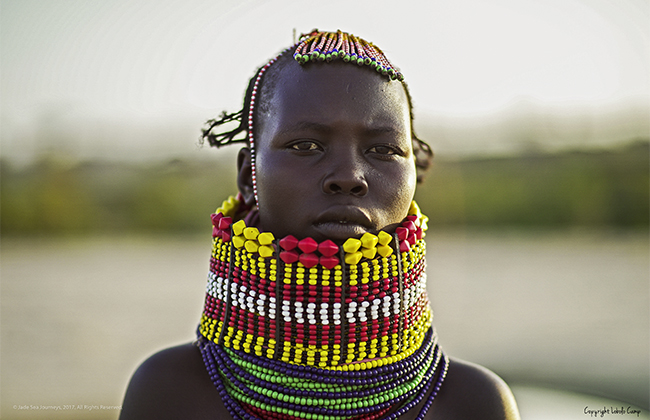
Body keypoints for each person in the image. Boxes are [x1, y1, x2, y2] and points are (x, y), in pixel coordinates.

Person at [120, 29, 521, 420]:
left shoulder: (474, 404)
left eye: (383, 150)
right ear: (248, 175)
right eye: (306, 146)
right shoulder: (169, 392)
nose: (348, 176)